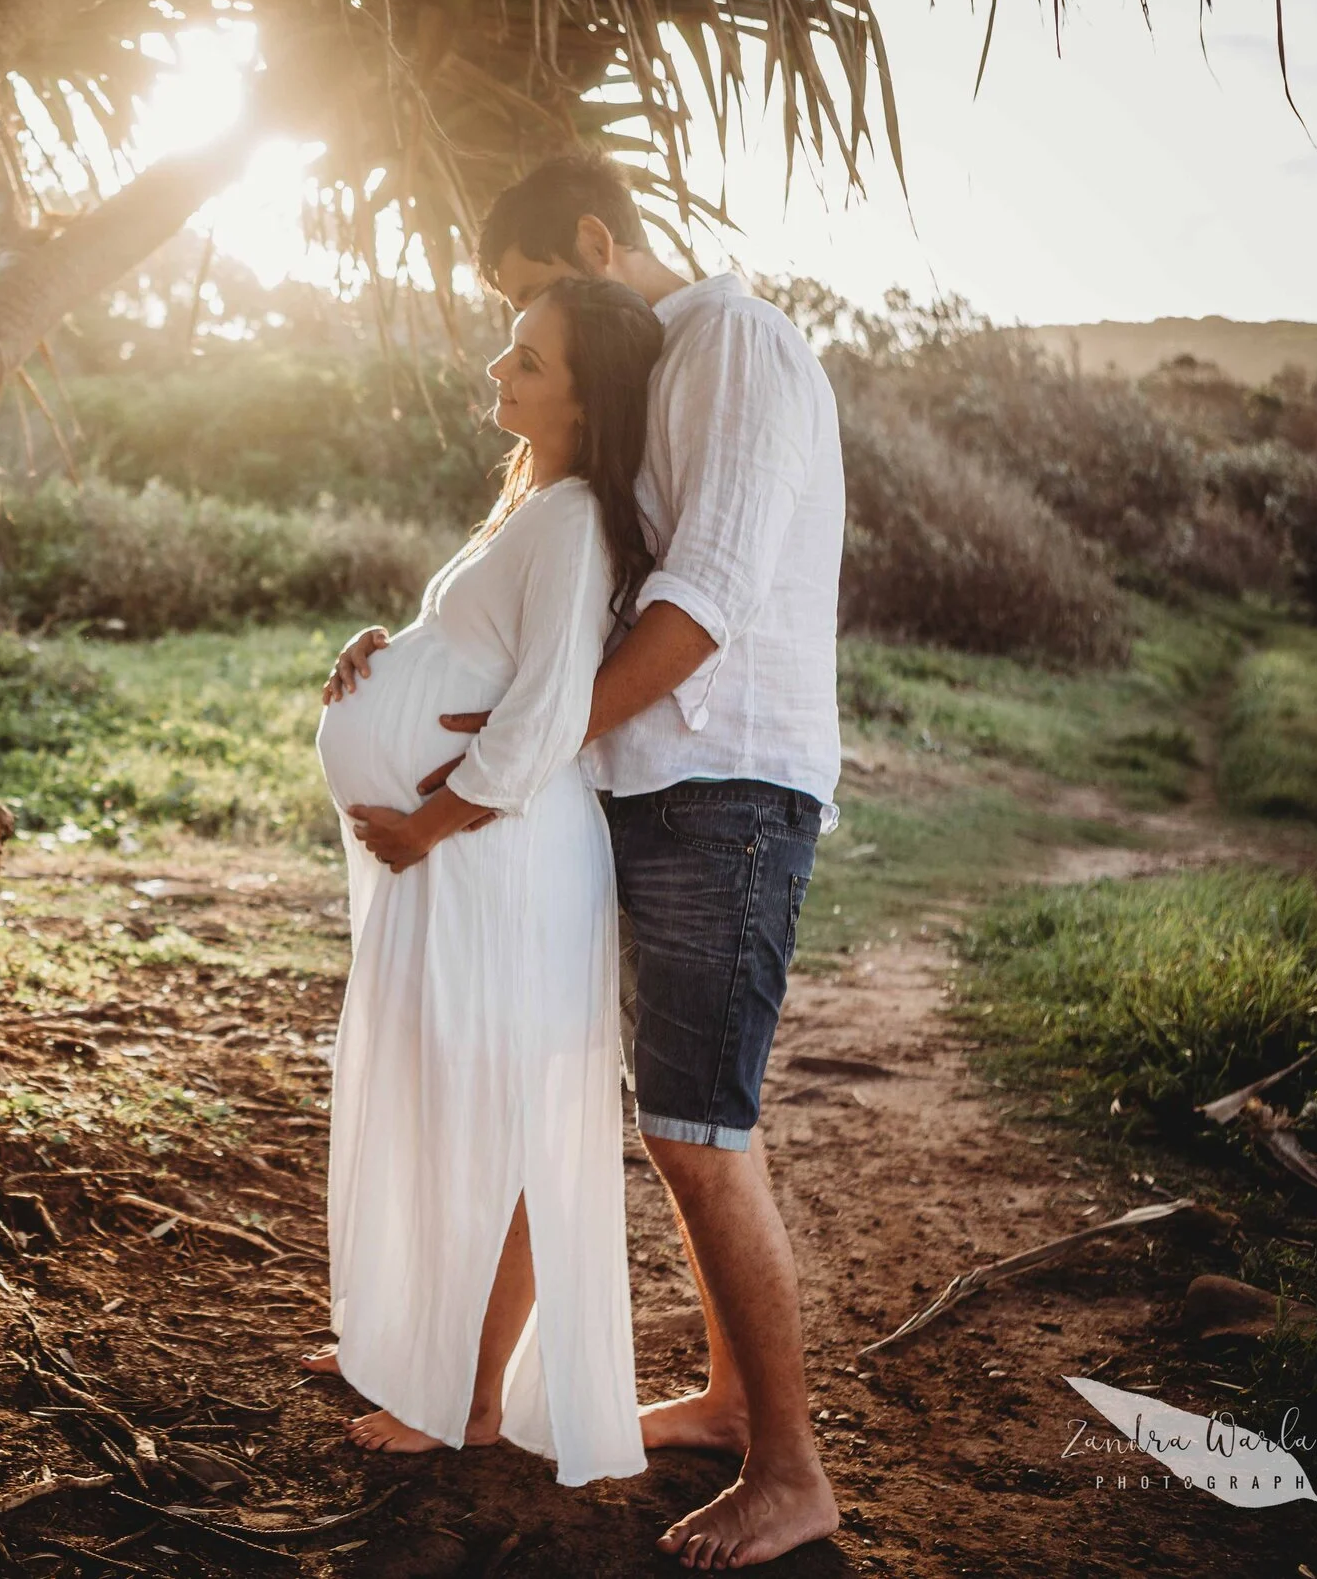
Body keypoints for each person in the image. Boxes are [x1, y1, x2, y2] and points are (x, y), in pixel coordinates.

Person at [406, 152, 848, 1571]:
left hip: (728, 790)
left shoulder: (731, 339)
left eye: (538, 295)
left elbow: (701, 603)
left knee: (699, 1132)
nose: (539, 336)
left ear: (594, 239)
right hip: (652, 786)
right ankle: (718, 1401)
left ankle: (794, 1472)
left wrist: (525, 753)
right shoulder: (667, 367)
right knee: (661, 1115)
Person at [311, 274, 665, 1491]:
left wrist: (434, 817)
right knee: (443, 1097)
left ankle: (463, 1398)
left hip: (492, 853)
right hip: (459, 852)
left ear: (584, 395)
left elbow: (548, 701)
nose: (497, 373)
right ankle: (411, 1341)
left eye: (526, 361)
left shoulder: (574, 518)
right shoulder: (535, 502)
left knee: (493, 1120)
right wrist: (392, 651)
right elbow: (487, 655)